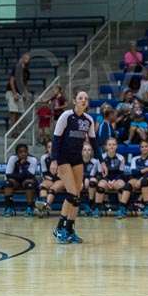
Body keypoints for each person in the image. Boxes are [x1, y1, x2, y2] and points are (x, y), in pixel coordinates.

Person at [50, 91, 98, 244]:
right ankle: (59, 228)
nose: (83, 100)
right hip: (63, 158)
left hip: (77, 159)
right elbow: (56, 139)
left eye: (86, 98)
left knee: (77, 196)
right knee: (71, 194)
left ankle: (69, 230)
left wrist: (102, 161)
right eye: (80, 98)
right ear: (74, 101)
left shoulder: (89, 120)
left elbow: (94, 142)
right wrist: (54, 160)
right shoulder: (66, 116)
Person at [2, 143, 39, 217]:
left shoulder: (33, 160)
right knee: (7, 183)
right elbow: (8, 174)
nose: (23, 154)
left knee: (29, 184)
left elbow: (31, 175)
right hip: (17, 181)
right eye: (20, 152)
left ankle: (29, 208)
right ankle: (8, 207)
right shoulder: (12, 159)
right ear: (17, 153)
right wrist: (20, 176)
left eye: (25, 152)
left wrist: (22, 166)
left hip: (28, 181)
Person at [129, 140, 148, 218]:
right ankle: (122, 208)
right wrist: (146, 169)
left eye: (146, 146)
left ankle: (147, 208)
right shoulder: (135, 159)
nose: (144, 148)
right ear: (140, 148)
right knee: (128, 184)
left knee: (144, 181)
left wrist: (141, 172)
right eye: (142, 147)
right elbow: (133, 172)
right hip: (137, 180)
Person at [35, 140, 64, 217]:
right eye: (49, 147)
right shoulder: (44, 158)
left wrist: (55, 179)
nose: (51, 149)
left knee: (52, 188)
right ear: (46, 149)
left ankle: (46, 206)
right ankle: (43, 207)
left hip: (62, 180)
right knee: (42, 186)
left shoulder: (63, 157)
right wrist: (52, 179)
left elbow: (63, 174)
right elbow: (44, 174)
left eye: (53, 147)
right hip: (51, 179)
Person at [6, 52, 31, 129]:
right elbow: (11, 81)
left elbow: (25, 84)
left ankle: (16, 129)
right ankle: (12, 129)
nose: (27, 60)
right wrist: (14, 93)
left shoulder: (27, 71)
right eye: (25, 58)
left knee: (19, 111)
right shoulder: (16, 68)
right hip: (11, 91)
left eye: (28, 59)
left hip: (20, 92)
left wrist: (25, 94)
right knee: (13, 110)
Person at [80, 143, 101, 216]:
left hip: (91, 180)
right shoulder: (77, 161)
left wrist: (88, 178)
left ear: (92, 152)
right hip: (80, 180)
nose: (87, 151)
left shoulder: (95, 161)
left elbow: (99, 174)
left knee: (92, 182)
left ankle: (90, 204)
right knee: (79, 184)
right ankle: (79, 205)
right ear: (81, 151)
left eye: (89, 150)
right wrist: (83, 179)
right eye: (84, 149)